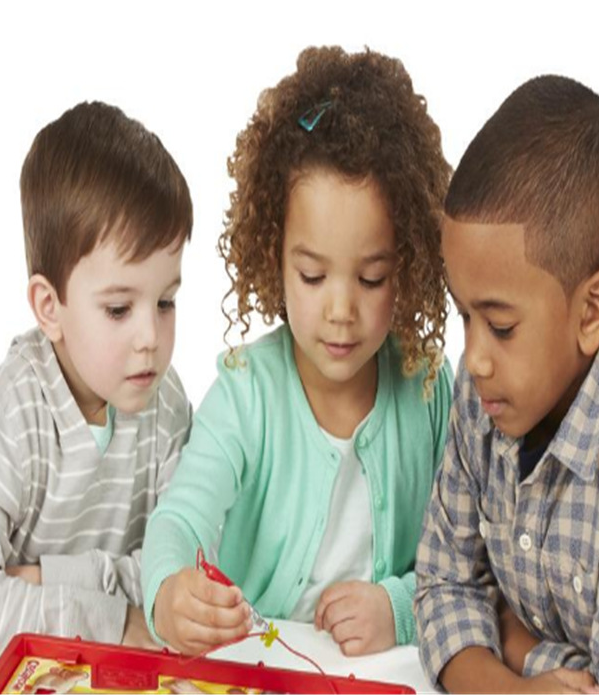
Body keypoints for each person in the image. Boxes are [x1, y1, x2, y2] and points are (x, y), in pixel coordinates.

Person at [141, 46, 453, 657]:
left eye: (371, 279)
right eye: (312, 276)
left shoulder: (427, 389)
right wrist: (168, 593)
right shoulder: (245, 393)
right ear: (274, 258)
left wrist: (399, 607)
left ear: (408, 266)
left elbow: (469, 562)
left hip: (388, 673)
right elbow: (179, 517)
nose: (341, 310)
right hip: (259, 665)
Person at [415, 75, 599, 693]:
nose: (474, 357)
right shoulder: (483, 390)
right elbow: (440, 587)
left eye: (501, 326)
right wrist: (513, 686)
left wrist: (515, 640)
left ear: (592, 311)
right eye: (463, 315)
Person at [0, 101, 194, 655]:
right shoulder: (7, 413)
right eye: (118, 309)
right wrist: (114, 619)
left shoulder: (168, 403)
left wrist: (51, 578)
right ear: (49, 307)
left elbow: (183, 573)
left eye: (165, 301)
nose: (150, 337)